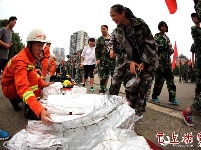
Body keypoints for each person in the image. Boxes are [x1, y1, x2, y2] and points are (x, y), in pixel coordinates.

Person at [109, 4, 158, 117]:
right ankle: (130, 110)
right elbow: (123, 47)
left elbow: (150, 43)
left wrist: (144, 62)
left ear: (123, 13)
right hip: (133, 61)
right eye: (111, 16)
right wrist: (131, 60)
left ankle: (138, 113)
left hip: (149, 59)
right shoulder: (119, 29)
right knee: (132, 87)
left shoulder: (139, 24)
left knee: (143, 88)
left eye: (114, 15)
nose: (112, 19)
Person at [1, 28, 53, 125]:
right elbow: (23, 87)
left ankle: (16, 101)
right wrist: (39, 109)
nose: (41, 49)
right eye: (38, 45)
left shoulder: (28, 57)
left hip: (11, 86)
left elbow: (33, 72)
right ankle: (30, 110)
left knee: (34, 74)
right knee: (32, 78)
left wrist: (44, 84)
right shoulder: (21, 60)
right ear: (29, 44)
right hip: (9, 88)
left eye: (42, 46)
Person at [151, 21, 180, 105]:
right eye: (162, 26)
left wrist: (171, 50)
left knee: (171, 80)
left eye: (165, 26)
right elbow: (155, 47)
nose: (164, 28)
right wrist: (167, 46)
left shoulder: (167, 38)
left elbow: (169, 51)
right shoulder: (157, 36)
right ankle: (154, 97)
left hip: (167, 62)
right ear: (159, 27)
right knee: (159, 81)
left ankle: (172, 99)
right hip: (160, 62)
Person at [182, 11, 201, 126]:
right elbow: (193, 49)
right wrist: (192, 62)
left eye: (196, 17)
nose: (195, 19)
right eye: (193, 18)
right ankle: (189, 111)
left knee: (199, 87)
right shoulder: (195, 30)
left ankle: (195, 108)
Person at [95, 25, 115, 94]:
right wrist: (97, 58)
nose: (102, 30)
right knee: (103, 76)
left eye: (104, 29)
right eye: (101, 29)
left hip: (113, 60)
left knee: (114, 76)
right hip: (103, 60)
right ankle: (102, 91)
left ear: (107, 29)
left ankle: (112, 91)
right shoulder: (100, 39)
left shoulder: (112, 38)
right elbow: (97, 50)